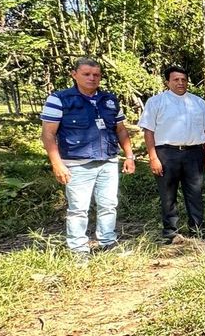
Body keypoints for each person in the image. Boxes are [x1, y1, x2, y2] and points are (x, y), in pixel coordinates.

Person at [40, 57, 135, 263]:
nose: (92, 78)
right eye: (86, 74)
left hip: (108, 161)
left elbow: (120, 129)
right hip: (77, 164)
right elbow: (48, 134)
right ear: (74, 75)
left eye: (96, 75)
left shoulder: (109, 100)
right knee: (78, 208)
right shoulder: (60, 99)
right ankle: (78, 250)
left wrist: (129, 156)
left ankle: (107, 242)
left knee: (109, 204)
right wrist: (57, 163)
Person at [139, 65, 205, 244]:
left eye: (183, 80)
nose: (180, 83)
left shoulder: (198, 102)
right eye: (176, 80)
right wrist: (153, 157)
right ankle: (171, 233)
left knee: (195, 194)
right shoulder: (156, 102)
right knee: (168, 195)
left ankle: (197, 231)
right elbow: (148, 131)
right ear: (167, 82)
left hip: (194, 153)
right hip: (166, 154)